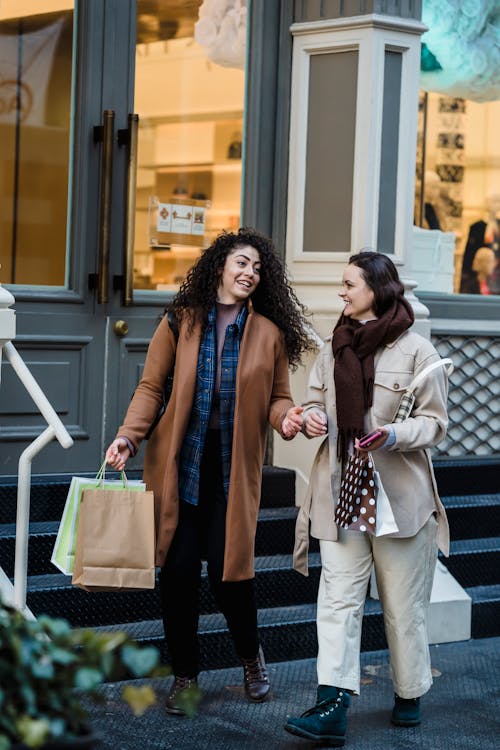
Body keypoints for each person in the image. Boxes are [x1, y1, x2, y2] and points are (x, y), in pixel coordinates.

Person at [105, 227, 313, 715]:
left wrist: (287, 420)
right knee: (177, 574)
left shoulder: (269, 333)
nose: (250, 273)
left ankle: (250, 658)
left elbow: (279, 397)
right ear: (219, 266)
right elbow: (152, 387)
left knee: (229, 576)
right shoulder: (181, 320)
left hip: (231, 474)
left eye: (258, 268)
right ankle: (185, 677)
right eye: (241, 263)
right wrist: (127, 436)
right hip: (180, 469)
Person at [285, 251, 450, 746]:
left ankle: (409, 690)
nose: (342, 292)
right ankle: (332, 704)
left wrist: (395, 435)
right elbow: (315, 400)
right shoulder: (334, 345)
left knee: (402, 606)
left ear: (377, 289)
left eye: (349, 284)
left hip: (399, 495)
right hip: (341, 491)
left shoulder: (417, 349)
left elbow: (436, 422)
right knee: (337, 600)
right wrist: (310, 416)